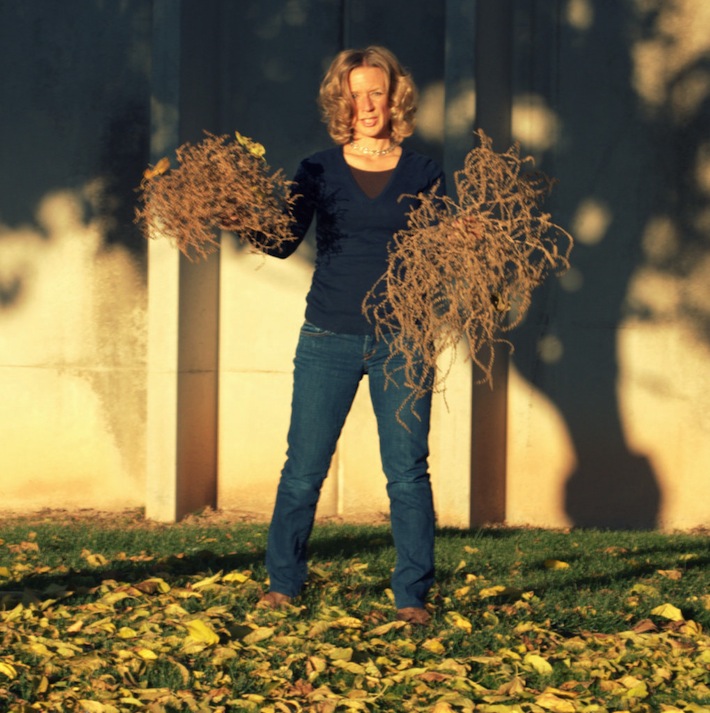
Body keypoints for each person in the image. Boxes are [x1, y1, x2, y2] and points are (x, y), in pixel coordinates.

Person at [257, 46, 445, 626]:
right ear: (342, 101)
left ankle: (412, 596)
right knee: (303, 469)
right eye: (355, 94)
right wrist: (245, 215)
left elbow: (443, 254)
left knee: (407, 474)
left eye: (376, 92)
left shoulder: (425, 171)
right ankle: (284, 583)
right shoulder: (317, 168)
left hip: (404, 340)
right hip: (328, 336)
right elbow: (282, 241)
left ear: (395, 98)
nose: (366, 105)